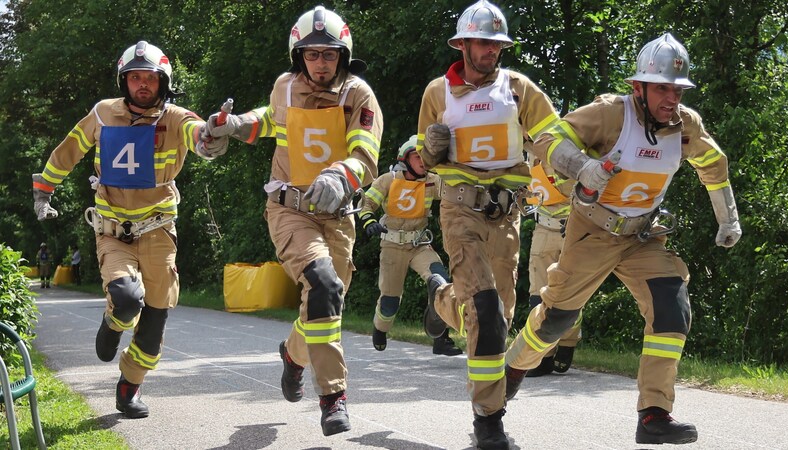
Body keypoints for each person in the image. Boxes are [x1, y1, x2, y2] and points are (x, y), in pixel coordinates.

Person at [504, 33, 742, 446]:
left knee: (672, 306)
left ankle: (654, 414)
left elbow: (713, 163)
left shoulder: (686, 126)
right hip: (593, 230)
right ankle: (511, 370)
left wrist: (728, 219)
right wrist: (583, 167)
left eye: (678, 89)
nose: (672, 98)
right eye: (663, 88)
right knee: (558, 318)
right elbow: (548, 141)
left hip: (644, 237)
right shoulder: (609, 115)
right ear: (639, 87)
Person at [203, 6, 382, 437]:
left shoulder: (359, 95)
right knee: (323, 283)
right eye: (312, 54)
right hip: (289, 208)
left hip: (337, 215)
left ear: (343, 55)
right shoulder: (284, 86)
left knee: (323, 304)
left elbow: (365, 154)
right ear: (298, 55)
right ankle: (333, 395)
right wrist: (234, 125)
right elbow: (269, 120)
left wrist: (341, 176)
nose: (320, 62)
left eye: (329, 54)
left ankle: (292, 355)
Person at [31, 41, 229, 419]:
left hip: (158, 231)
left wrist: (212, 136)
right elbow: (70, 148)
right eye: (135, 77)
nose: (142, 85)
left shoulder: (175, 117)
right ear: (125, 81)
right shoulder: (104, 113)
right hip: (113, 229)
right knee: (125, 298)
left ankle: (129, 386)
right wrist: (44, 191)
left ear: (163, 82)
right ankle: (113, 320)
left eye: (149, 78)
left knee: (155, 320)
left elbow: (199, 135)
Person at [417, 1, 559, 447]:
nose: (490, 51)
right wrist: (430, 153)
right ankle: (488, 421)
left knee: (498, 317)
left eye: (497, 44)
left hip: (508, 215)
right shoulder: (437, 93)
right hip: (460, 211)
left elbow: (554, 139)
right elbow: (421, 159)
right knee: (484, 312)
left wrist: (582, 174)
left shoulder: (519, 90)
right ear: (462, 44)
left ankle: (441, 300)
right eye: (482, 42)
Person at [357, 135, 462, 356]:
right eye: (417, 156)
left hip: (420, 245)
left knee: (440, 282)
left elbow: (458, 191)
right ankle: (380, 328)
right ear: (405, 159)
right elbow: (367, 204)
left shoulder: (433, 181)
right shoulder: (387, 180)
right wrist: (370, 221)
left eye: (426, 157)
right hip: (392, 246)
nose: (423, 161)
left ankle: (440, 337)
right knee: (390, 302)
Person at [523, 159, 582, 377]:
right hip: (543, 228)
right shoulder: (529, 157)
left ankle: (568, 342)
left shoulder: (570, 152)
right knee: (537, 295)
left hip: (573, 230)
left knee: (571, 292)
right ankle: (542, 356)